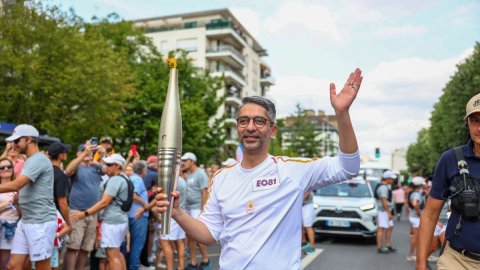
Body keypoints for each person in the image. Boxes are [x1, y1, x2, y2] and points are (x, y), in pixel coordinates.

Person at [156, 68, 362, 269]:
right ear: (237, 127)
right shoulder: (221, 177)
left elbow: (347, 167)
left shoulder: (292, 171)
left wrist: (341, 113)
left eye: (259, 121)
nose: (251, 127)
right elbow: (209, 234)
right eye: (243, 121)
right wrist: (177, 213)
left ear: (273, 130)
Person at [417, 93, 480, 270]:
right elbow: (430, 215)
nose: (479, 127)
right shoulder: (450, 159)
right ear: (467, 123)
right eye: (475, 120)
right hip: (458, 261)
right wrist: (421, 264)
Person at [1, 124, 57, 270]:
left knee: (42, 267)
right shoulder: (31, 160)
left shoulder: (38, 159)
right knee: (14, 266)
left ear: (29, 139)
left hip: (40, 222)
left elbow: (16, 185)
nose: (14, 145)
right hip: (27, 220)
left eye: (17, 141)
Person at [72, 153, 130, 270]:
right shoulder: (125, 177)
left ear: (118, 166)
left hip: (112, 221)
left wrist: (84, 213)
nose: (106, 167)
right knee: (117, 253)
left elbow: (104, 202)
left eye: (109, 164)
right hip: (120, 219)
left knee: (111, 256)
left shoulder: (115, 180)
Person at [64, 143, 104, 270]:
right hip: (77, 211)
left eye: (90, 151)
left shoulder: (96, 167)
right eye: (84, 150)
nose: (87, 153)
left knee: (85, 248)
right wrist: (83, 154)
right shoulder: (77, 167)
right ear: (78, 153)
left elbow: (109, 170)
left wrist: (103, 155)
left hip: (92, 213)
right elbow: (68, 171)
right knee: (72, 247)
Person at [180, 152, 210, 270]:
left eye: (186, 160)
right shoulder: (189, 174)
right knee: (190, 236)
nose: (183, 162)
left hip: (197, 208)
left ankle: (206, 261)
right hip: (188, 208)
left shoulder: (200, 173)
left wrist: (203, 209)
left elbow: (205, 192)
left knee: (200, 236)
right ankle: (193, 262)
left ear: (193, 161)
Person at [127, 160, 150, 270]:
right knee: (137, 243)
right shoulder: (137, 179)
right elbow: (133, 195)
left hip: (130, 214)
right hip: (138, 215)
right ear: (142, 169)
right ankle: (134, 267)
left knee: (130, 244)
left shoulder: (131, 178)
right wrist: (145, 204)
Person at [0, 157, 21, 269]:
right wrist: (9, 203)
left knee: (7, 264)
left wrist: (17, 203)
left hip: (13, 228)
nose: (6, 169)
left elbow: (22, 214)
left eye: (9, 166)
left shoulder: (18, 188)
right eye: (2, 167)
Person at [375, 170, 397, 254]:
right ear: (387, 178)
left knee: (389, 227)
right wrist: (388, 212)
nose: (392, 180)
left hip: (385, 210)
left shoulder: (384, 186)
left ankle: (388, 245)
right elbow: (384, 200)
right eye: (391, 178)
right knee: (381, 228)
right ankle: (379, 247)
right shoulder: (383, 187)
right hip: (383, 211)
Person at [406, 176, 426, 261]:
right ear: (419, 185)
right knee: (415, 237)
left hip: (413, 216)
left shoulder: (413, 192)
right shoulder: (416, 194)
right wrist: (420, 214)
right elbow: (415, 204)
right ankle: (411, 255)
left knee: (416, 236)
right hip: (416, 217)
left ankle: (413, 254)